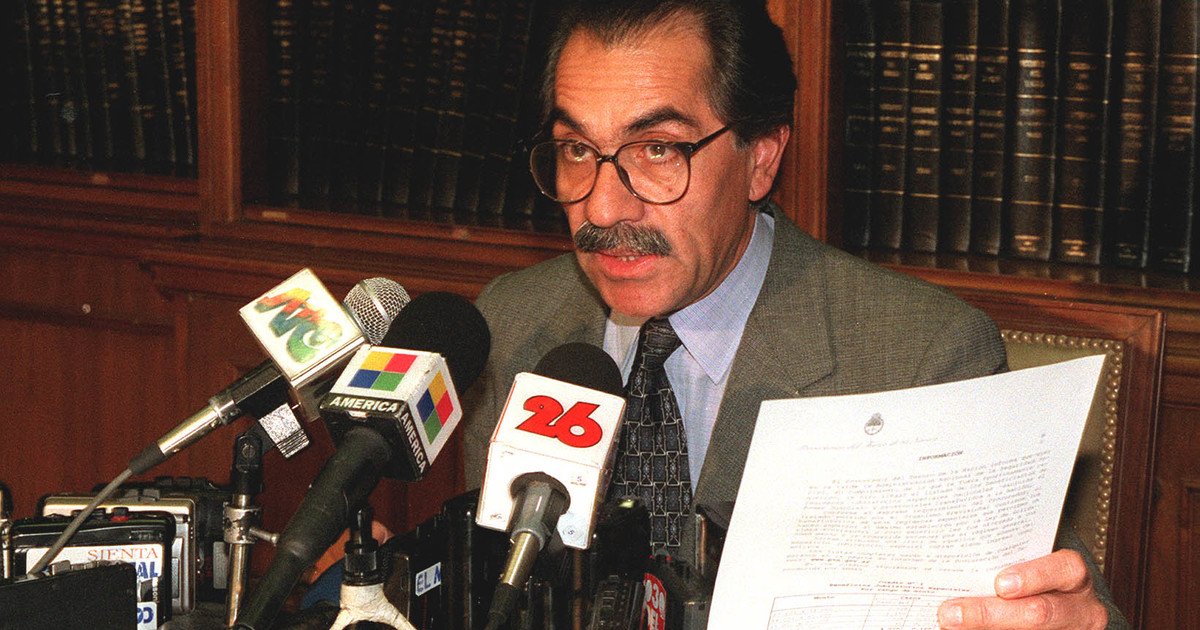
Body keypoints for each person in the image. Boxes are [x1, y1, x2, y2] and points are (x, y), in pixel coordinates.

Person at [462, 1, 1124, 627]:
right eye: (578, 149)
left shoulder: (918, 360)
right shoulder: (510, 324)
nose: (605, 208)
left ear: (761, 159)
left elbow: (1063, 606)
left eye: (658, 149)